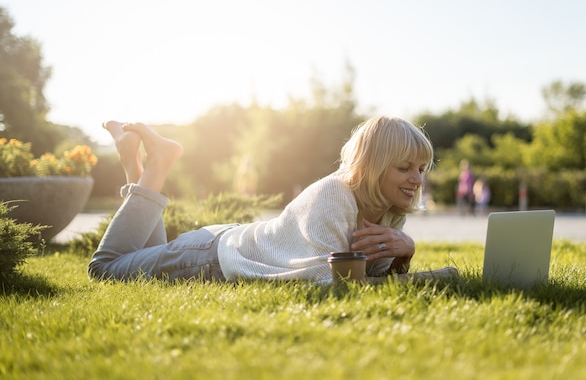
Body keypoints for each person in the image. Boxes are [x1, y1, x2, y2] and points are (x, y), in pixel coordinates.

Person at [88, 116, 460, 284]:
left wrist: (404, 256)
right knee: (106, 268)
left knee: (134, 259)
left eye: (422, 168)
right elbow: (329, 283)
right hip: (209, 256)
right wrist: (436, 279)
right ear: (376, 166)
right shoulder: (334, 194)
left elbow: (368, 276)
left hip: (225, 242)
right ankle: (161, 162)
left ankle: (131, 161)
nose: (416, 179)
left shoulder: (390, 208)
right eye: (405, 167)